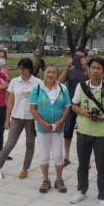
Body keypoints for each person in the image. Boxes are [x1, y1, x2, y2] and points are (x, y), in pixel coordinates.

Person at [70, 56, 104, 206]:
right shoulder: (82, 86)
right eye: (93, 67)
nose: (96, 71)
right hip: (83, 131)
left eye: (99, 68)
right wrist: (83, 113)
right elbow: (74, 106)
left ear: (103, 71)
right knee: (82, 164)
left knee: (102, 167)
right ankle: (81, 190)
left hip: (101, 133)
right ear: (89, 69)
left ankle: (103, 197)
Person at [30, 64, 71, 194]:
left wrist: (62, 121)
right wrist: (42, 122)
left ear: (56, 74)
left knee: (58, 154)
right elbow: (33, 108)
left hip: (58, 127)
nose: (50, 75)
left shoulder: (62, 88)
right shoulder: (37, 89)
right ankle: (46, 180)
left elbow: (67, 106)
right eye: (48, 72)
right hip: (43, 128)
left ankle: (59, 179)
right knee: (44, 154)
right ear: (44, 74)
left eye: (53, 72)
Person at [0, 58, 41, 175]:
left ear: (30, 69)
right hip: (16, 116)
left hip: (31, 118)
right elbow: (10, 101)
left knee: (30, 144)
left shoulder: (37, 82)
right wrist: (7, 119)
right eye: (20, 68)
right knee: (9, 143)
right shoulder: (14, 81)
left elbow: (41, 101)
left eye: (24, 68)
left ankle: (25, 169)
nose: (21, 71)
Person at [58, 48, 88, 166]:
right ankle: (66, 156)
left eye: (81, 58)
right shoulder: (70, 70)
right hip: (70, 105)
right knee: (67, 132)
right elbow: (59, 82)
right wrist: (66, 68)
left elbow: (95, 80)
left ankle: (84, 159)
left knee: (84, 134)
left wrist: (86, 67)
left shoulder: (88, 70)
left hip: (84, 106)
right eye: (76, 58)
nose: (78, 61)